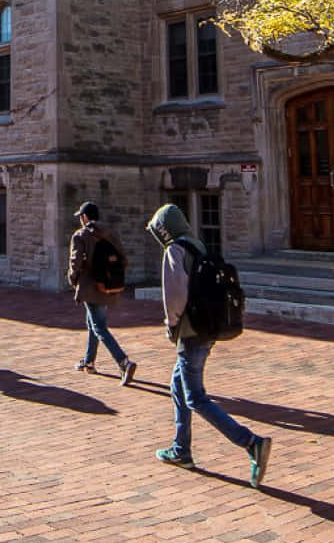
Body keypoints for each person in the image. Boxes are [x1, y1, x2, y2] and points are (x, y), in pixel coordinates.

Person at [147, 203, 270, 485]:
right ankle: (181, 449)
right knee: (177, 384)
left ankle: (251, 443)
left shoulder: (175, 250)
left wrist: (171, 326)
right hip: (209, 326)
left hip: (191, 330)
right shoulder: (197, 244)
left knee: (196, 397)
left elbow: (175, 296)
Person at [68, 201, 136, 386]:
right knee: (94, 323)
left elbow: (75, 262)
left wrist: (73, 279)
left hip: (91, 287)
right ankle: (89, 361)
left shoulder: (80, 236)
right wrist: (111, 278)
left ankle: (124, 362)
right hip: (107, 286)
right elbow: (123, 258)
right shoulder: (110, 234)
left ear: (85, 217)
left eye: (81, 217)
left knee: (99, 327)